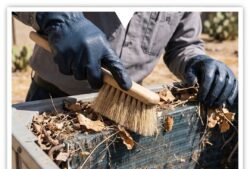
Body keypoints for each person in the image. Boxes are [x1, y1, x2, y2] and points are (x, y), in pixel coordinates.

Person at [13, 12, 238, 107]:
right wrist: (59, 18)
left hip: (123, 109)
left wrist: (197, 62)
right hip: (51, 101)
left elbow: (184, 45)